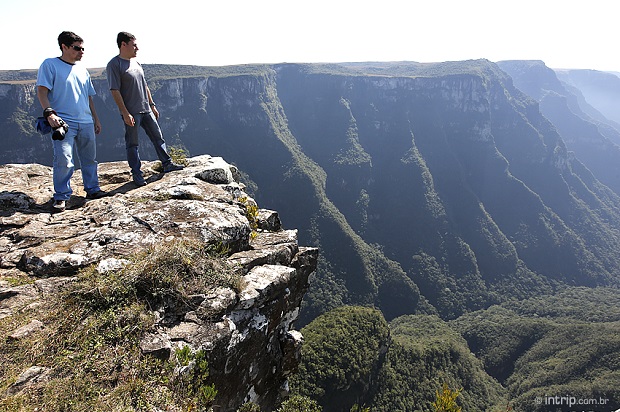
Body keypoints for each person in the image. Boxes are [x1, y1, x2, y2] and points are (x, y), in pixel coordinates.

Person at [36, 31, 106, 212]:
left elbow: (88, 97)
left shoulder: (82, 70)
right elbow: (42, 91)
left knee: (89, 159)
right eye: (77, 48)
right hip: (63, 122)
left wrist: (96, 119)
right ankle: (61, 196)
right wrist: (49, 114)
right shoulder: (50, 65)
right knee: (64, 160)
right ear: (64, 47)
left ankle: (92, 189)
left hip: (86, 121)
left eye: (82, 48)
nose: (81, 52)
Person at [106, 32, 183, 186]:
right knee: (133, 144)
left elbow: (145, 85)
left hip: (146, 109)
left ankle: (167, 164)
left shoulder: (136, 63)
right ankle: (137, 174)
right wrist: (125, 112)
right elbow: (114, 90)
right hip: (132, 111)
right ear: (123, 44)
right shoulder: (114, 65)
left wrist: (152, 104)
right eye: (134, 44)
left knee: (158, 137)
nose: (137, 48)